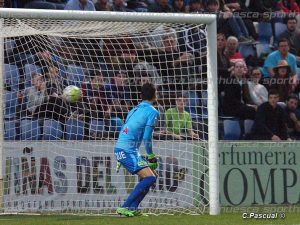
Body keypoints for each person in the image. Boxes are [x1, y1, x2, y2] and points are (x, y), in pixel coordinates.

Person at [114, 83, 159, 217]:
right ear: (155, 95)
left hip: (124, 149)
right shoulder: (152, 111)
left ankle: (133, 208)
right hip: (127, 150)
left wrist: (119, 154)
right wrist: (150, 155)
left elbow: (125, 130)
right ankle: (124, 207)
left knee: (152, 176)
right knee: (150, 178)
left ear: (141, 95)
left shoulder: (133, 110)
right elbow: (146, 137)